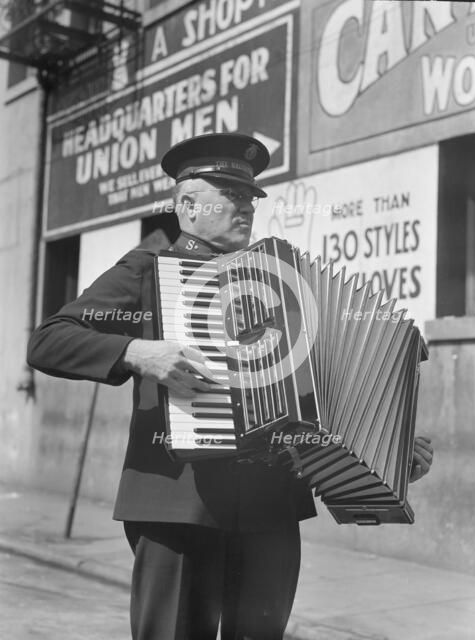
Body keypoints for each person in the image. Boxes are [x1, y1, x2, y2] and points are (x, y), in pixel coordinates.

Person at [27, 132, 433, 640]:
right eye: (231, 196)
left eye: (250, 198)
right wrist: (136, 353)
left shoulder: (285, 284)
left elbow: (318, 389)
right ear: (187, 207)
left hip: (271, 508)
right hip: (179, 505)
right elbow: (49, 341)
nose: (246, 207)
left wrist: (388, 444)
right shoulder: (148, 271)